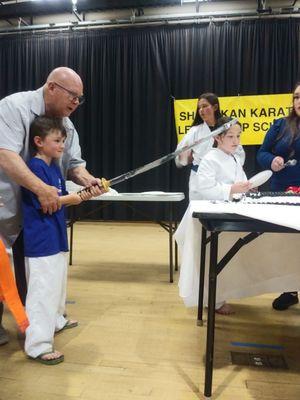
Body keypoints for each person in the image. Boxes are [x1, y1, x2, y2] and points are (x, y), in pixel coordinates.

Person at [0, 67, 105, 344]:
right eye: (72, 95)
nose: (75, 103)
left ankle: (35, 324)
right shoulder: (13, 107)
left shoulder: (66, 125)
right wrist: (42, 189)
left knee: (32, 271)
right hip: (6, 203)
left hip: (37, 215)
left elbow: (74, 165)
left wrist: (89, 181)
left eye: (80, 99)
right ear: (51, 87)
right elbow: (5, 155)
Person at [23, 116, 93, 364]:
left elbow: (62, 196)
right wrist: (71, 200)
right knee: (42, 292)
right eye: (57, 140)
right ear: (39, 141)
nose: (62, 145)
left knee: (57, 286)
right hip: (41, 241)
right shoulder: (34, 168)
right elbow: (47, 203)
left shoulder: (54, 166)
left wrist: (85, 192)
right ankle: (38, 345)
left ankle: (56, 321)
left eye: (63, 140)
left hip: (56, 237)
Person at [194, 117, 251, 314]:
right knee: (214, 257)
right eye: (230, 136)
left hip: (231, 214)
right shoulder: (210, 158)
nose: (236, 141)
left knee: (229, 257)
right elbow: (205, 188)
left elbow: (240, 182)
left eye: (238, 136)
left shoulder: (234, 158)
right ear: (218, 137)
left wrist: (247, 187)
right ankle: (214, 300)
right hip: (214, 218)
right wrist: (231, 189)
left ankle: (222, 294)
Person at [257, 82, 300, 311]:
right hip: (281, 190)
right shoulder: (280, 125)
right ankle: (290, 289)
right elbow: (262, 153)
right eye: (296, 96)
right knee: (285, 242)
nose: (299, 101)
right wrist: (270, 161)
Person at [175, 93, 245, 200]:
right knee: (199, 212)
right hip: (200, 178)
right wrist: (185, 156)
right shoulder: (195, 131)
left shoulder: (226, 127)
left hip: (224, 178)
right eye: (199, 108)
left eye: (204, 106)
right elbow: (181, 156)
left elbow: (238, 153)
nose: (201, 110)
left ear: (215, 107)